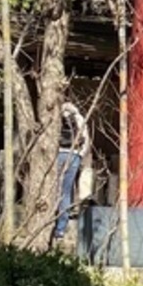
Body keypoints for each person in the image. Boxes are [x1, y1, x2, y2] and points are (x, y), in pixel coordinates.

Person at [54, 101, 87, 241]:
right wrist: (80, 156)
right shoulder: (79, 118)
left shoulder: (55, 116)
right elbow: (86, 141)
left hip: (58, 155)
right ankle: (61, 228)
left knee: (56, 190)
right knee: (66, 191)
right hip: (74, 155)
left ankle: (53, 221)